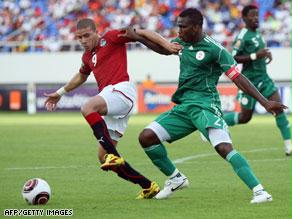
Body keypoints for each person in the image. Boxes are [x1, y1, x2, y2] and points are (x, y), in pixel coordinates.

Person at [119, 8, 287, 203]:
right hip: (184, 107)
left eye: (183, 26)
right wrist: (139, 38)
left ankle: (260, 191)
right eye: (178, 26)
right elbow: (164, 49)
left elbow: (238, 78)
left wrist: (265, 102)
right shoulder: (182, 42)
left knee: (224, 148)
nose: (179, 30)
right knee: (147, 137)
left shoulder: (215, 50)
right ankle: (176, 179)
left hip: (205, 105)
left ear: (197, 27)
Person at [43, 18, 179, 199]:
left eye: (86, 35)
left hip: (122, 90)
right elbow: (81, 76)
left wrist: (167, 44)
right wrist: (60, 92)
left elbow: (143, 32)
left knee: (88, 107)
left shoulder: (111, 37)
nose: (83, 40)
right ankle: (148, 186)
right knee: (102, 156)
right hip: (112, 99)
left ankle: (114, 155)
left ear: (96, 32)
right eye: (79, 37)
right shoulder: (87, 56)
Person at [223, 5, 292, 156]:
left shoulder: (257, 33)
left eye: (256, 15)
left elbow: (259, 52)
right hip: (249, 81)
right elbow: (232, 58)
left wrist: (265, 54)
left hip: (264, 79)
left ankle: (289, 146)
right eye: (252, 16)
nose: (255, 18)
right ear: (244, 18)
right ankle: (218, 123)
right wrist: (255, 56)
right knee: (244, 117)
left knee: (278, 108)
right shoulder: (242, 36)